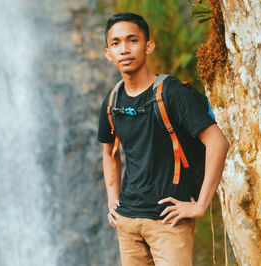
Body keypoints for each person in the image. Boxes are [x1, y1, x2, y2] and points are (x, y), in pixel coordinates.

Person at [98, 12, 229, 265]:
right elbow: (109, 153)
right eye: (116, 43)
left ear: (148, 46)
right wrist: (112, 200)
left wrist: (200, 205)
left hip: (169, 222)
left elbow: (218, 142)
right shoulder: (112, 101)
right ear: (108, 53)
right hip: (127, 223)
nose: (124, 49)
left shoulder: (173, 93)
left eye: (132, 40)